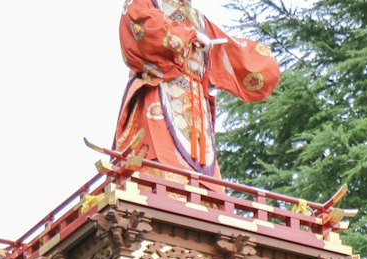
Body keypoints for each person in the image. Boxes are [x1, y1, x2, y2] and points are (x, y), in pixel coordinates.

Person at [113, 0, 279, 178]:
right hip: (158, 96)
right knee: (159, 169)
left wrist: (262, 63)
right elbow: (148, 30)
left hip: (197, 110)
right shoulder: (147, 3)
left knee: (205, 186)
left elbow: (230, 51)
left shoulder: (199, 20)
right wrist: (190, 35)